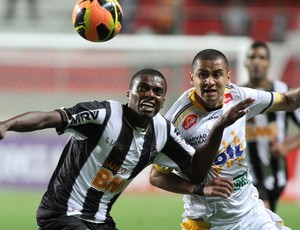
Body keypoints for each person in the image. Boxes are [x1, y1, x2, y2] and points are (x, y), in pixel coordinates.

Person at [0, 68, 253, 230]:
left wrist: (219, 126)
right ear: (128, 93)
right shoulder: (103, 114)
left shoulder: (162, 131)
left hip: (99, 221)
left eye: (157, 91)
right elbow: (47, 118)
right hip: (62, 214)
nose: (149, 95)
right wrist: (7, 124)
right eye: (142, 88)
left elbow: (196, 171)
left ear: (163, 100)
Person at [150, 49, 299, 229]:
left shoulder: (238, 97)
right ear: (192, 78)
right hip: (210, 222)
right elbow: (156, 176)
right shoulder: (176, 121)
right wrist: (198, 189)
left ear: (228, 77)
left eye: (217, 74)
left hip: (251, 215)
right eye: (202, 75)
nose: (210, 82)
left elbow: (289, 101)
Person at [244, 41, 300, 212]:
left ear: (269, 62)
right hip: (247, 176)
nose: (256, 62)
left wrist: (286, 147)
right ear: (245, 62)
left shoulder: (283, 92)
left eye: (262, 57)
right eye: (252, 57)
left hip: (275, 176)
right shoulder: (238, 94)